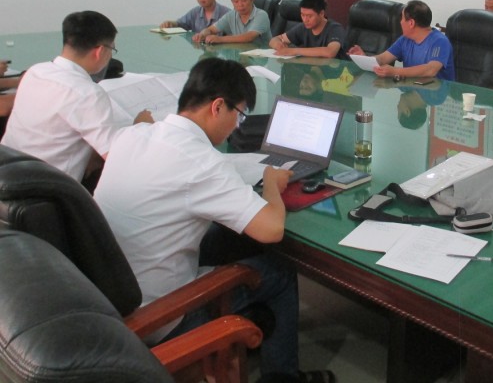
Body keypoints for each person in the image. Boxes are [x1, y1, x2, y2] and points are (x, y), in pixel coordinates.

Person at [94, 58, 334, 383]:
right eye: (240, 115)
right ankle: (282, 378)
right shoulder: (202, 162)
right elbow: (271, 229)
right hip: (159, 316)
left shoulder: (133, 135)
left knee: (226, 238)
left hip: (110, 298)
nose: (237, 126)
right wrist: (271, 184)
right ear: (218, 106)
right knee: (279, 272)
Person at [1, 11, 153, 182]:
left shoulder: (36, 71)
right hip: (49, 188)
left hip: (8, 173)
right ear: (100, 51)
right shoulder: (87, 94)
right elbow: (118, 158)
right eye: (112, 49)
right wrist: (140, 127)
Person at [348, 0, 455, 81]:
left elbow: (431, 70)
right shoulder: (405, 39)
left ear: (411, 23)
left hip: (435, 97)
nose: (400, 22)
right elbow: (383, 59)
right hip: (411, 90)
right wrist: (365, 59)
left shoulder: (440, 41)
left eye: (402, 18)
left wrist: (395, 71)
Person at [270, 0, 347, 59]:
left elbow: (330, 52)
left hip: (337, 70)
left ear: (321, 13)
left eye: (310, 16)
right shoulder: (303, 27)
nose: (305, 20)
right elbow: (275, 39)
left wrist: (293, 51)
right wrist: (278, 45)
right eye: (302, 15)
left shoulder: (335, 28)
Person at [193, 0, 271, 45]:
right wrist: (202, 34)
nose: (240, 4)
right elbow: (211, 29)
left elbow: (249, 37)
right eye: (236, 1)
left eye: (243, 0)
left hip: (261, 56)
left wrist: (220, 39)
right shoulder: (231, 15)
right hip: (241, 55)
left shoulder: (261, 15)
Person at [160, 0, 230, 33]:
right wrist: (170, 23)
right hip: (198, 47)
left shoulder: (227, 13)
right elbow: (181, 24)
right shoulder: (195, 11)